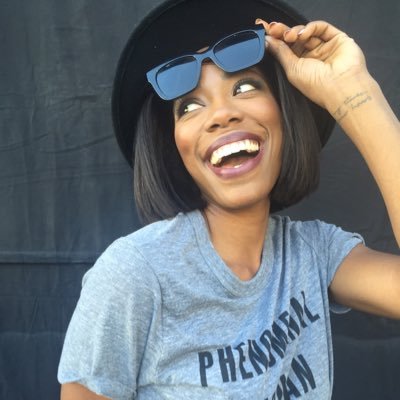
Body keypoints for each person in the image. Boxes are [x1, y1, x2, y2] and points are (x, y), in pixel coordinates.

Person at [58, 0, 400, 398]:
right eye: (190, 106)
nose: (221, 114)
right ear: (175, 148)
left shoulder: (314, 254)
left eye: (244, 87)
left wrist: (354, 92)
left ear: (283, 114)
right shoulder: (134, 274)